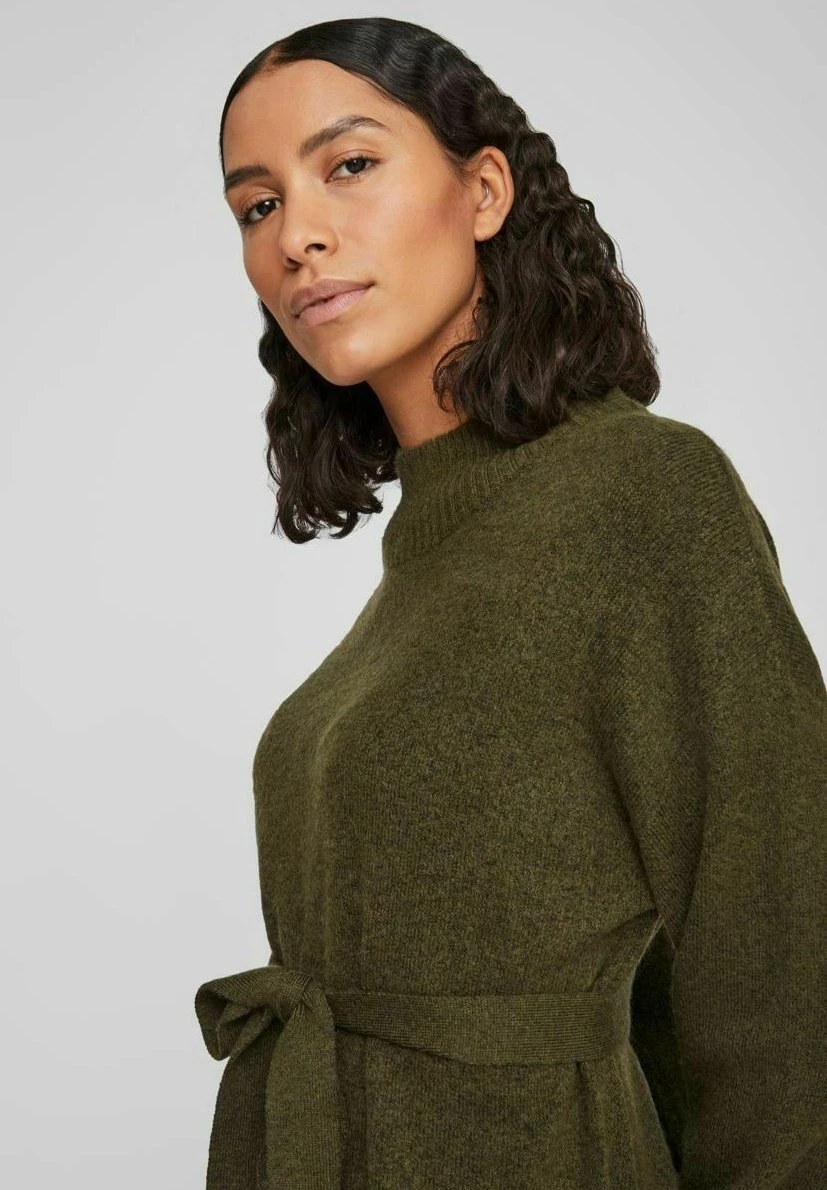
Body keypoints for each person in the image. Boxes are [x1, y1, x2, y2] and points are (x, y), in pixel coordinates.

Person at [193, 16, 826, 1189]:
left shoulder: (644, 492)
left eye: (348, 165)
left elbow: (777, 956)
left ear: (483, 189)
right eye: (256, 205)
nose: (297, 235)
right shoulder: (427, 559)